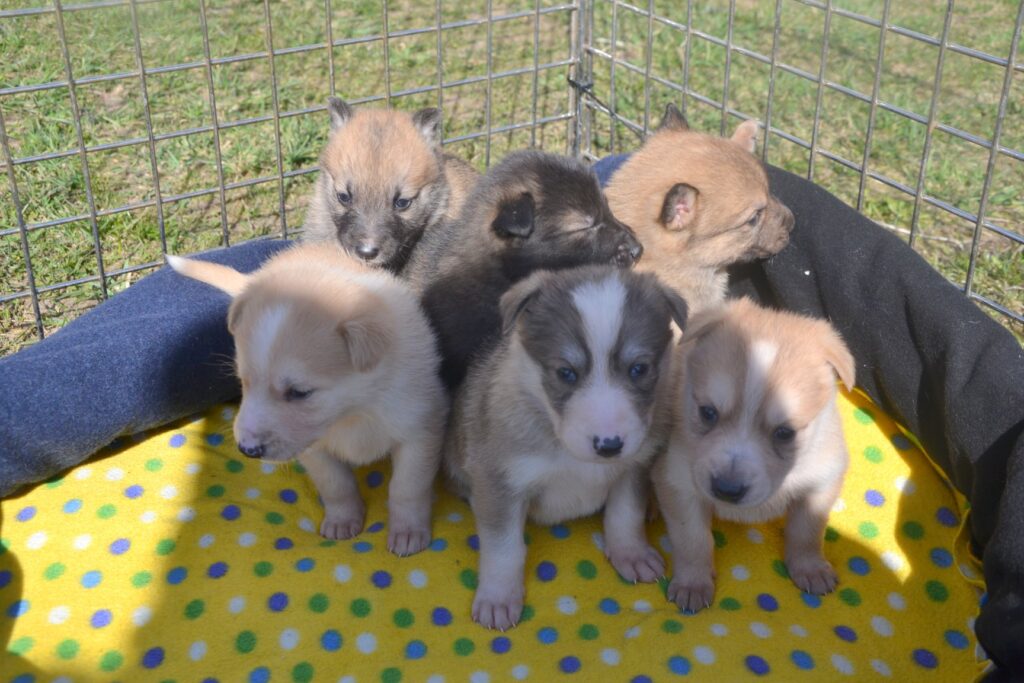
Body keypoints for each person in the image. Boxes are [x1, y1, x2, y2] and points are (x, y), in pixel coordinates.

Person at [1, 156, 1021, 678]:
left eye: (635, 370)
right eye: (572, 375)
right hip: (490, 448)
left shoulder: (661, 345)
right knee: (497, 471)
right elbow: (484, 465)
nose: (613, 412)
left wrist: (629, 518)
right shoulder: (507, 351)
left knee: (619, 469)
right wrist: (503, 562)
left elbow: (633, 449)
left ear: (668, 338)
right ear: (524, 336)